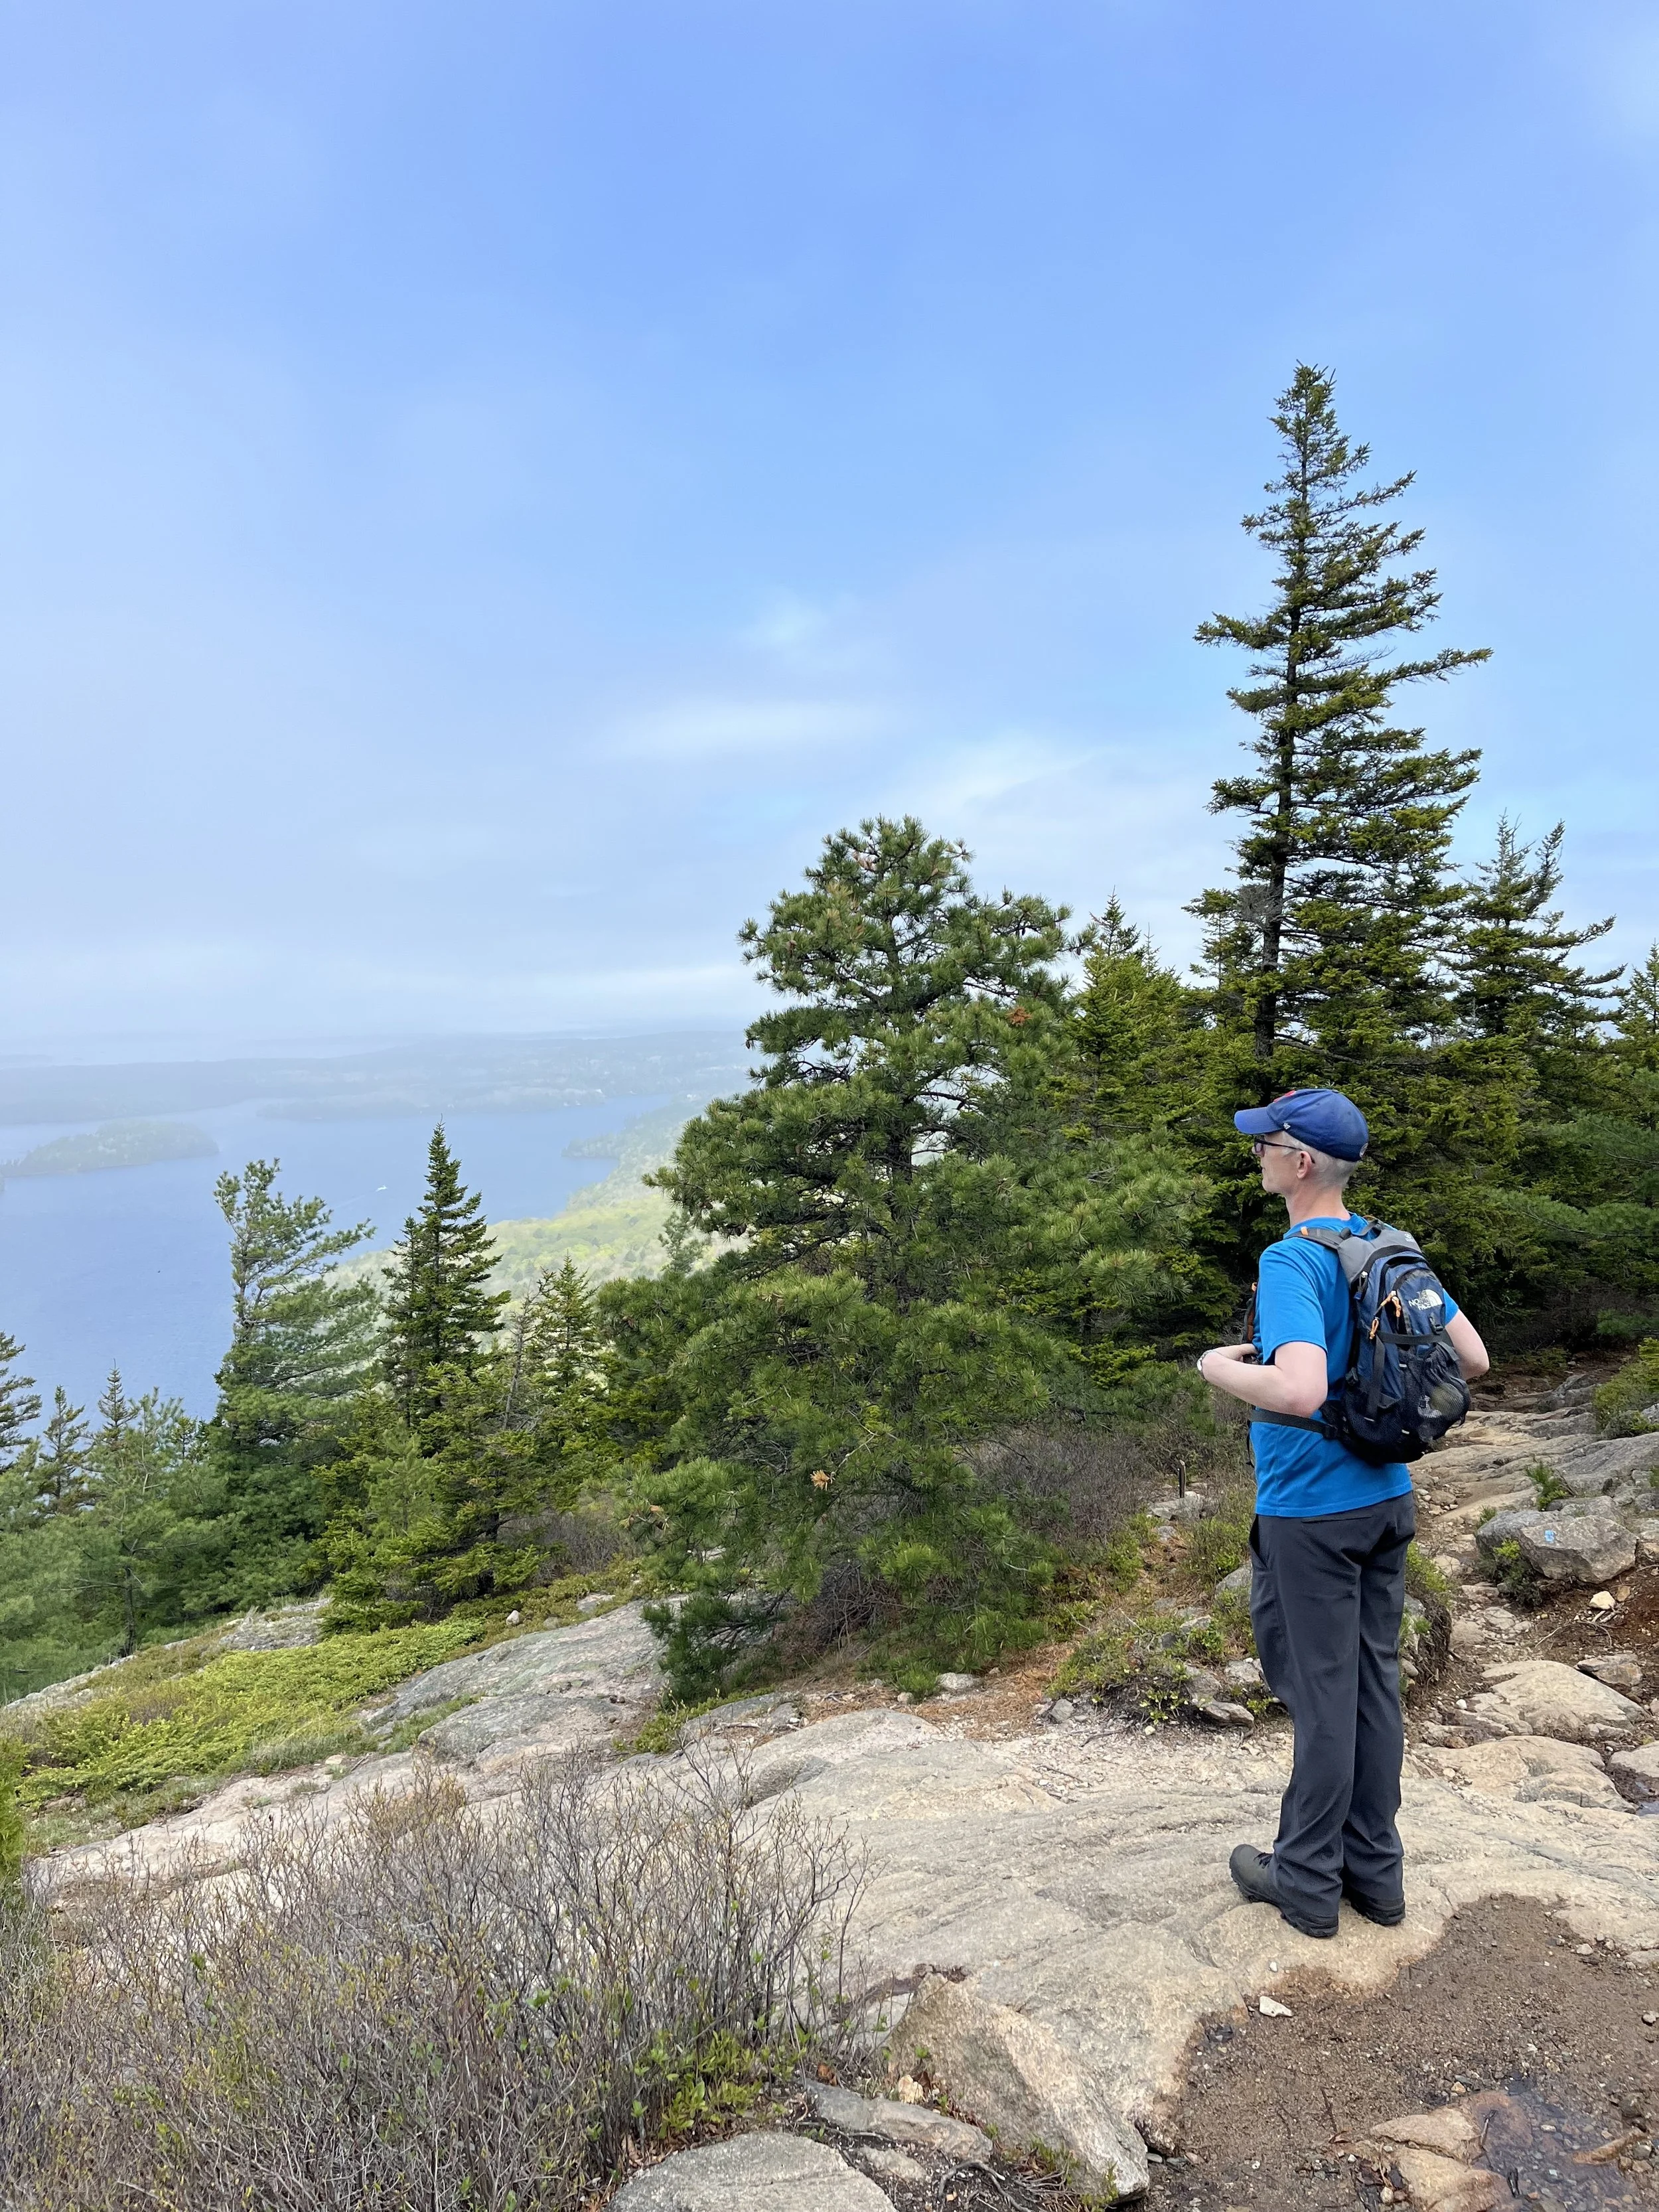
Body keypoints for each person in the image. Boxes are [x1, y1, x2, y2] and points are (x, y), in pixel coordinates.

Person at [1196, 1086, 1488, 1939]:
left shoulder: (1290, 1259)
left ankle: (1306, 1881)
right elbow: (1469, 1356)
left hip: (1309, 1512)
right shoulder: (1387, 1243)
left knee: (1321, 1696)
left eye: (1265, 1145)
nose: (1256, 1156)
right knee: (1371, 1690)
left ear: (1299, 1164)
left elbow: (1298, 1386)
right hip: (1385, 1501)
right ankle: (1377, 1877)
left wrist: (1217, 1369)